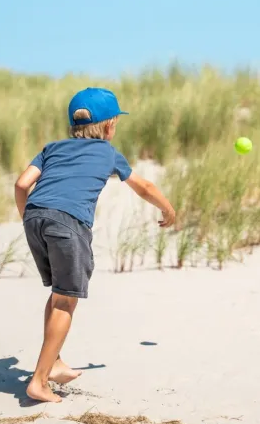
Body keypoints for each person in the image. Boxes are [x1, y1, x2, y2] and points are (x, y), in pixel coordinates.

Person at [14, 87, 175, 403]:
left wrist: (28, 218)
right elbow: (144, 186)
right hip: (68, 223)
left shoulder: (51, 148)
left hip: (35, 217)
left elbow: (22, 183)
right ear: (109, 126)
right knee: (65, 301)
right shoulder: (108, 153)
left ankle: (54, 361)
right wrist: (167, 209)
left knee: (59, 293)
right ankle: (39, 381)